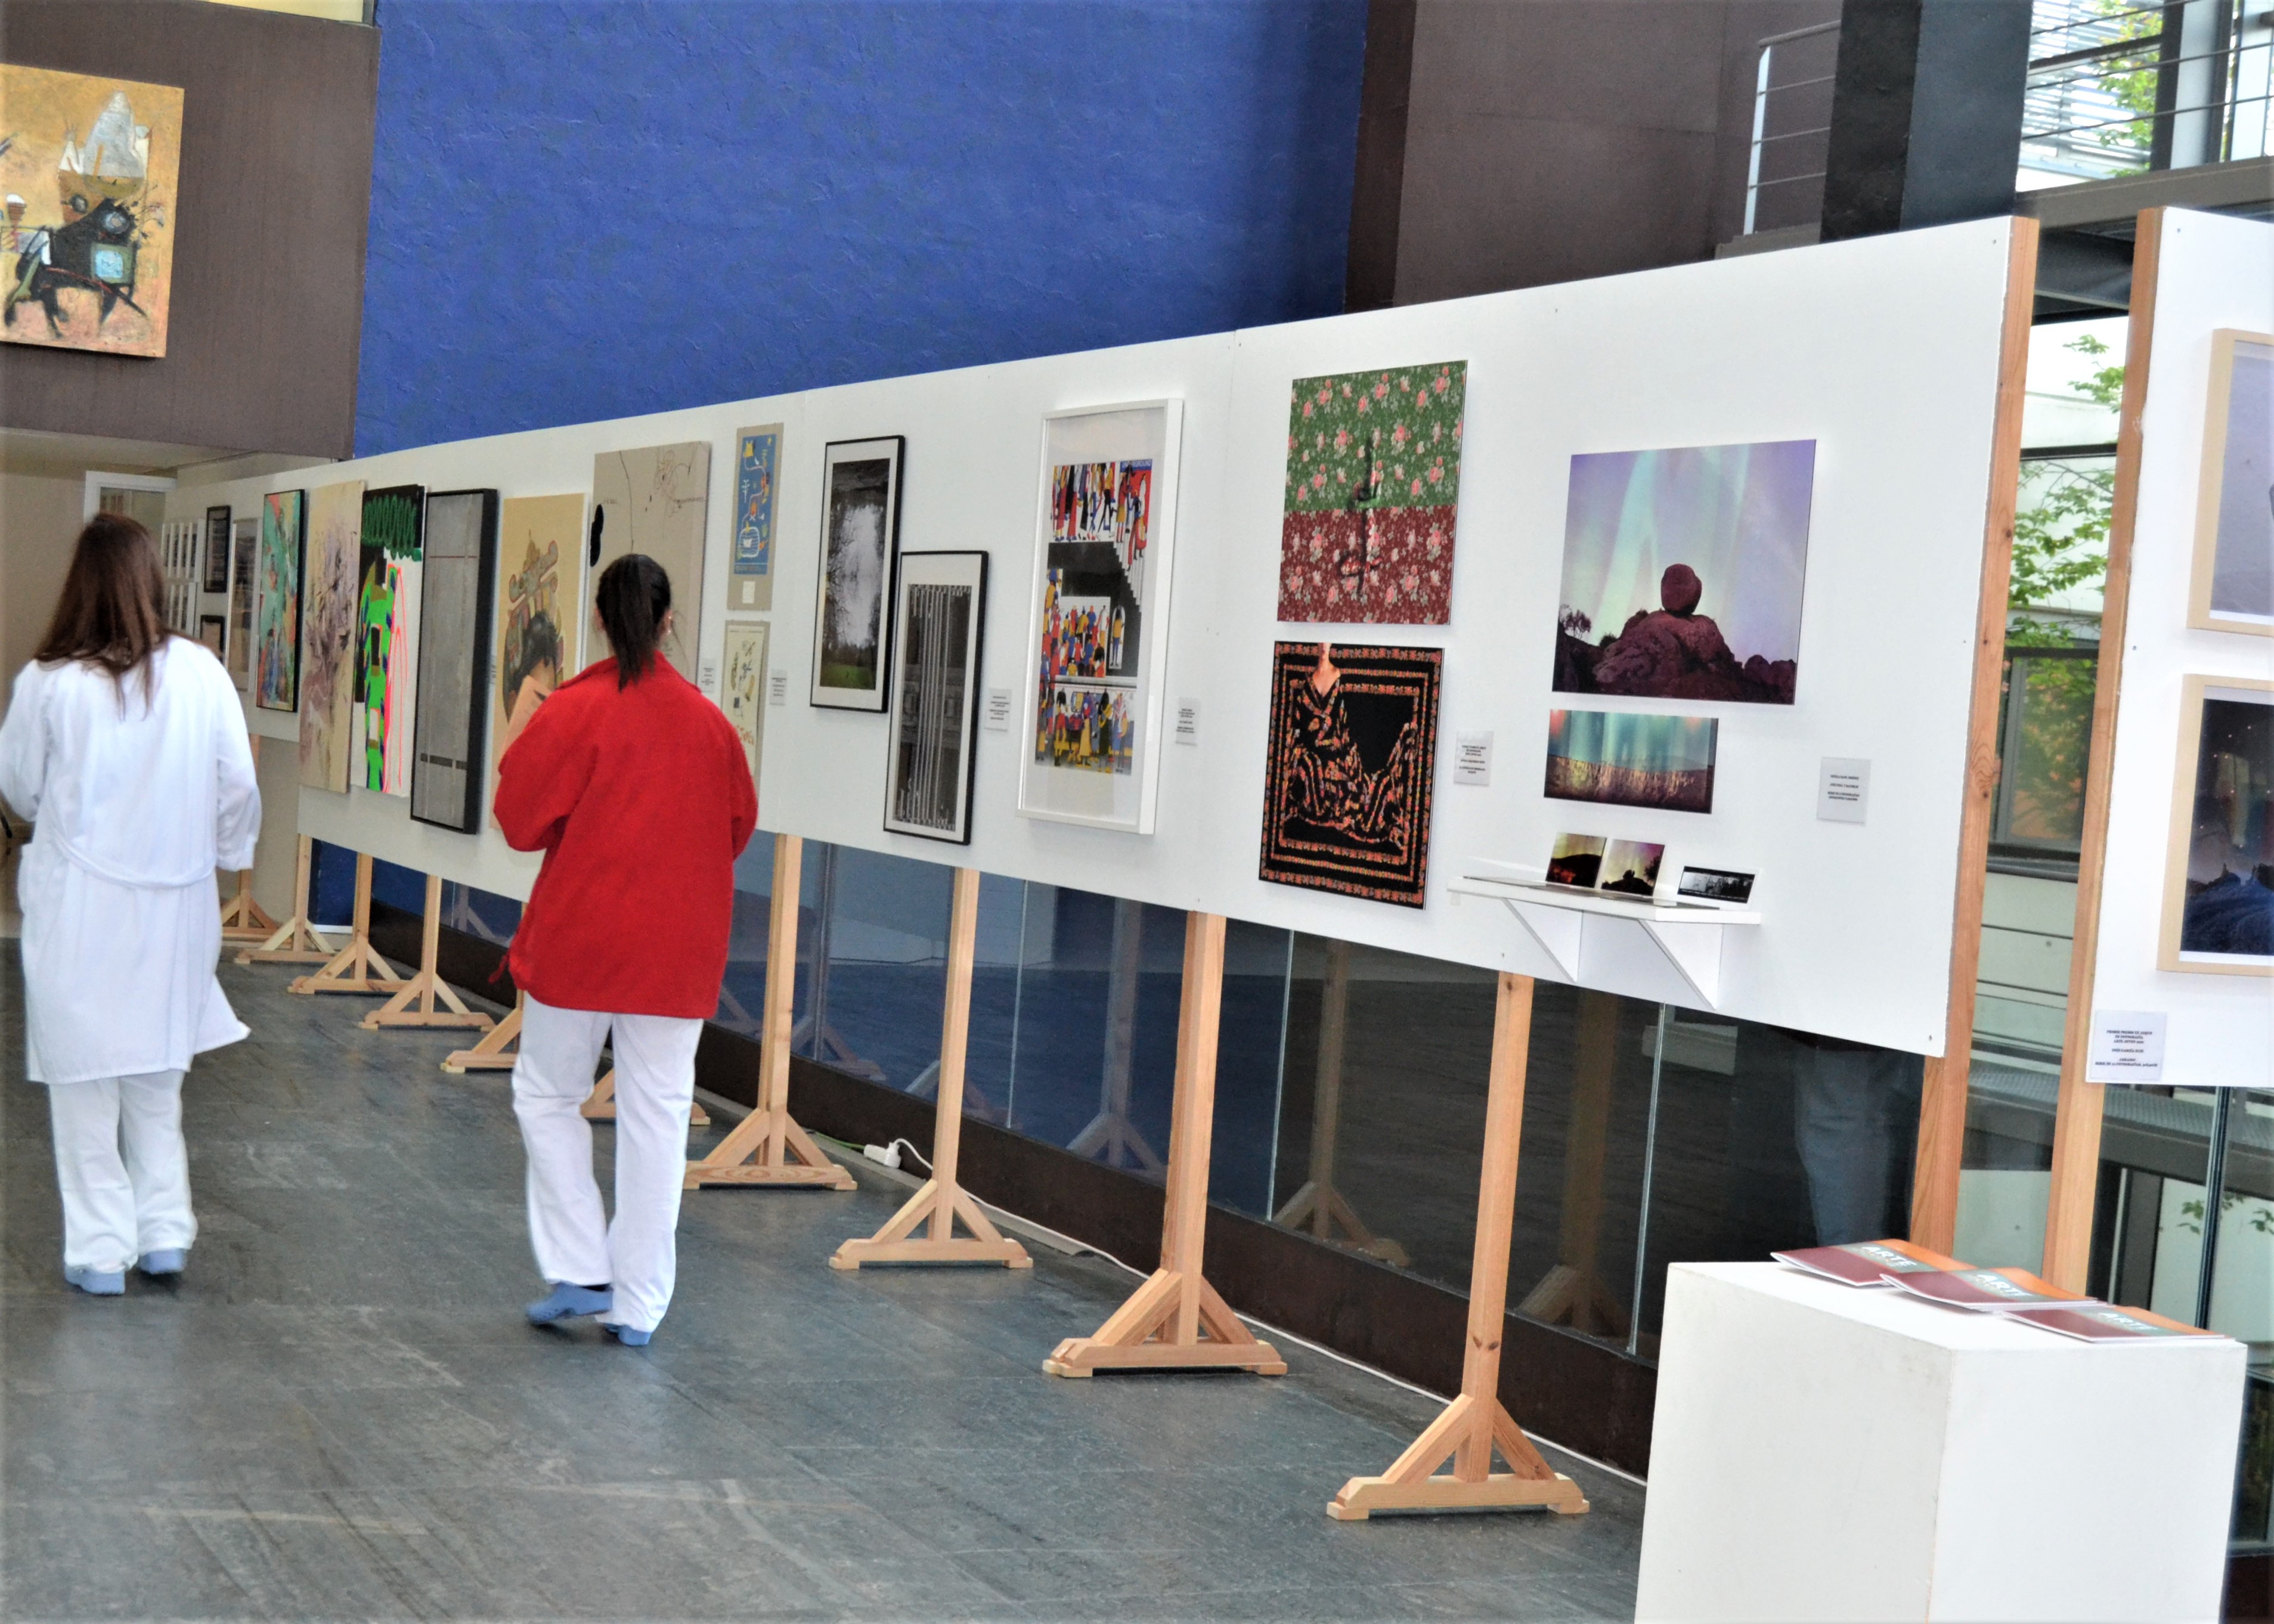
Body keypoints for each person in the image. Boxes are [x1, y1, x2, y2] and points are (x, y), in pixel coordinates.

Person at [494, 553, 755, 1346]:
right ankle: (639, 1306)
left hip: (581, 941)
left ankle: (580, 1265)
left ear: (601, 620)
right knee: (658, 1117)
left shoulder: (573, 712)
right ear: (668, 621)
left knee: (547, 1094)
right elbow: (736, 827)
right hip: (678, 951)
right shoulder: (711, 726)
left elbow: (518, 821)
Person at [0, 513, 259, 1295]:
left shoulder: (49, 682)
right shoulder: (201, 671)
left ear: (78, 584)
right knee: (156, 1079)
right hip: (178, 908)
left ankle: (101, 1251)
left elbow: (21, 789)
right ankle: (164, 1232)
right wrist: (223, 856)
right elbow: (238, 784)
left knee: (84, 1086)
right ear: (153, 580)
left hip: (80, 908)